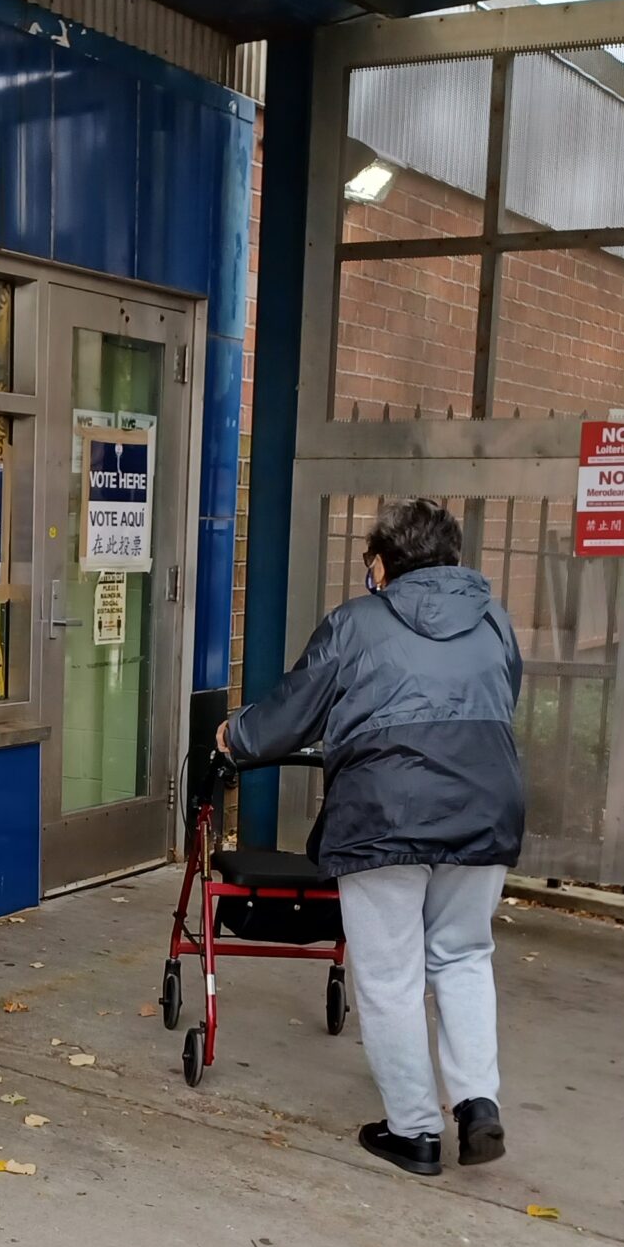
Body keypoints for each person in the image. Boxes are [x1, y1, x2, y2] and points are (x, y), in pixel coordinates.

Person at [218, 497, 524, 1177]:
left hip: (387, 812)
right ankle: (477, 1103)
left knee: (390, 974)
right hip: (485, 803)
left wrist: (234, 737)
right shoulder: (495, 622)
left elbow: (295, 712)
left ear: (381, 563)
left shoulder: (356, 623)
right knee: (464, 955)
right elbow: (503, 700)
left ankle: (414, 1131)